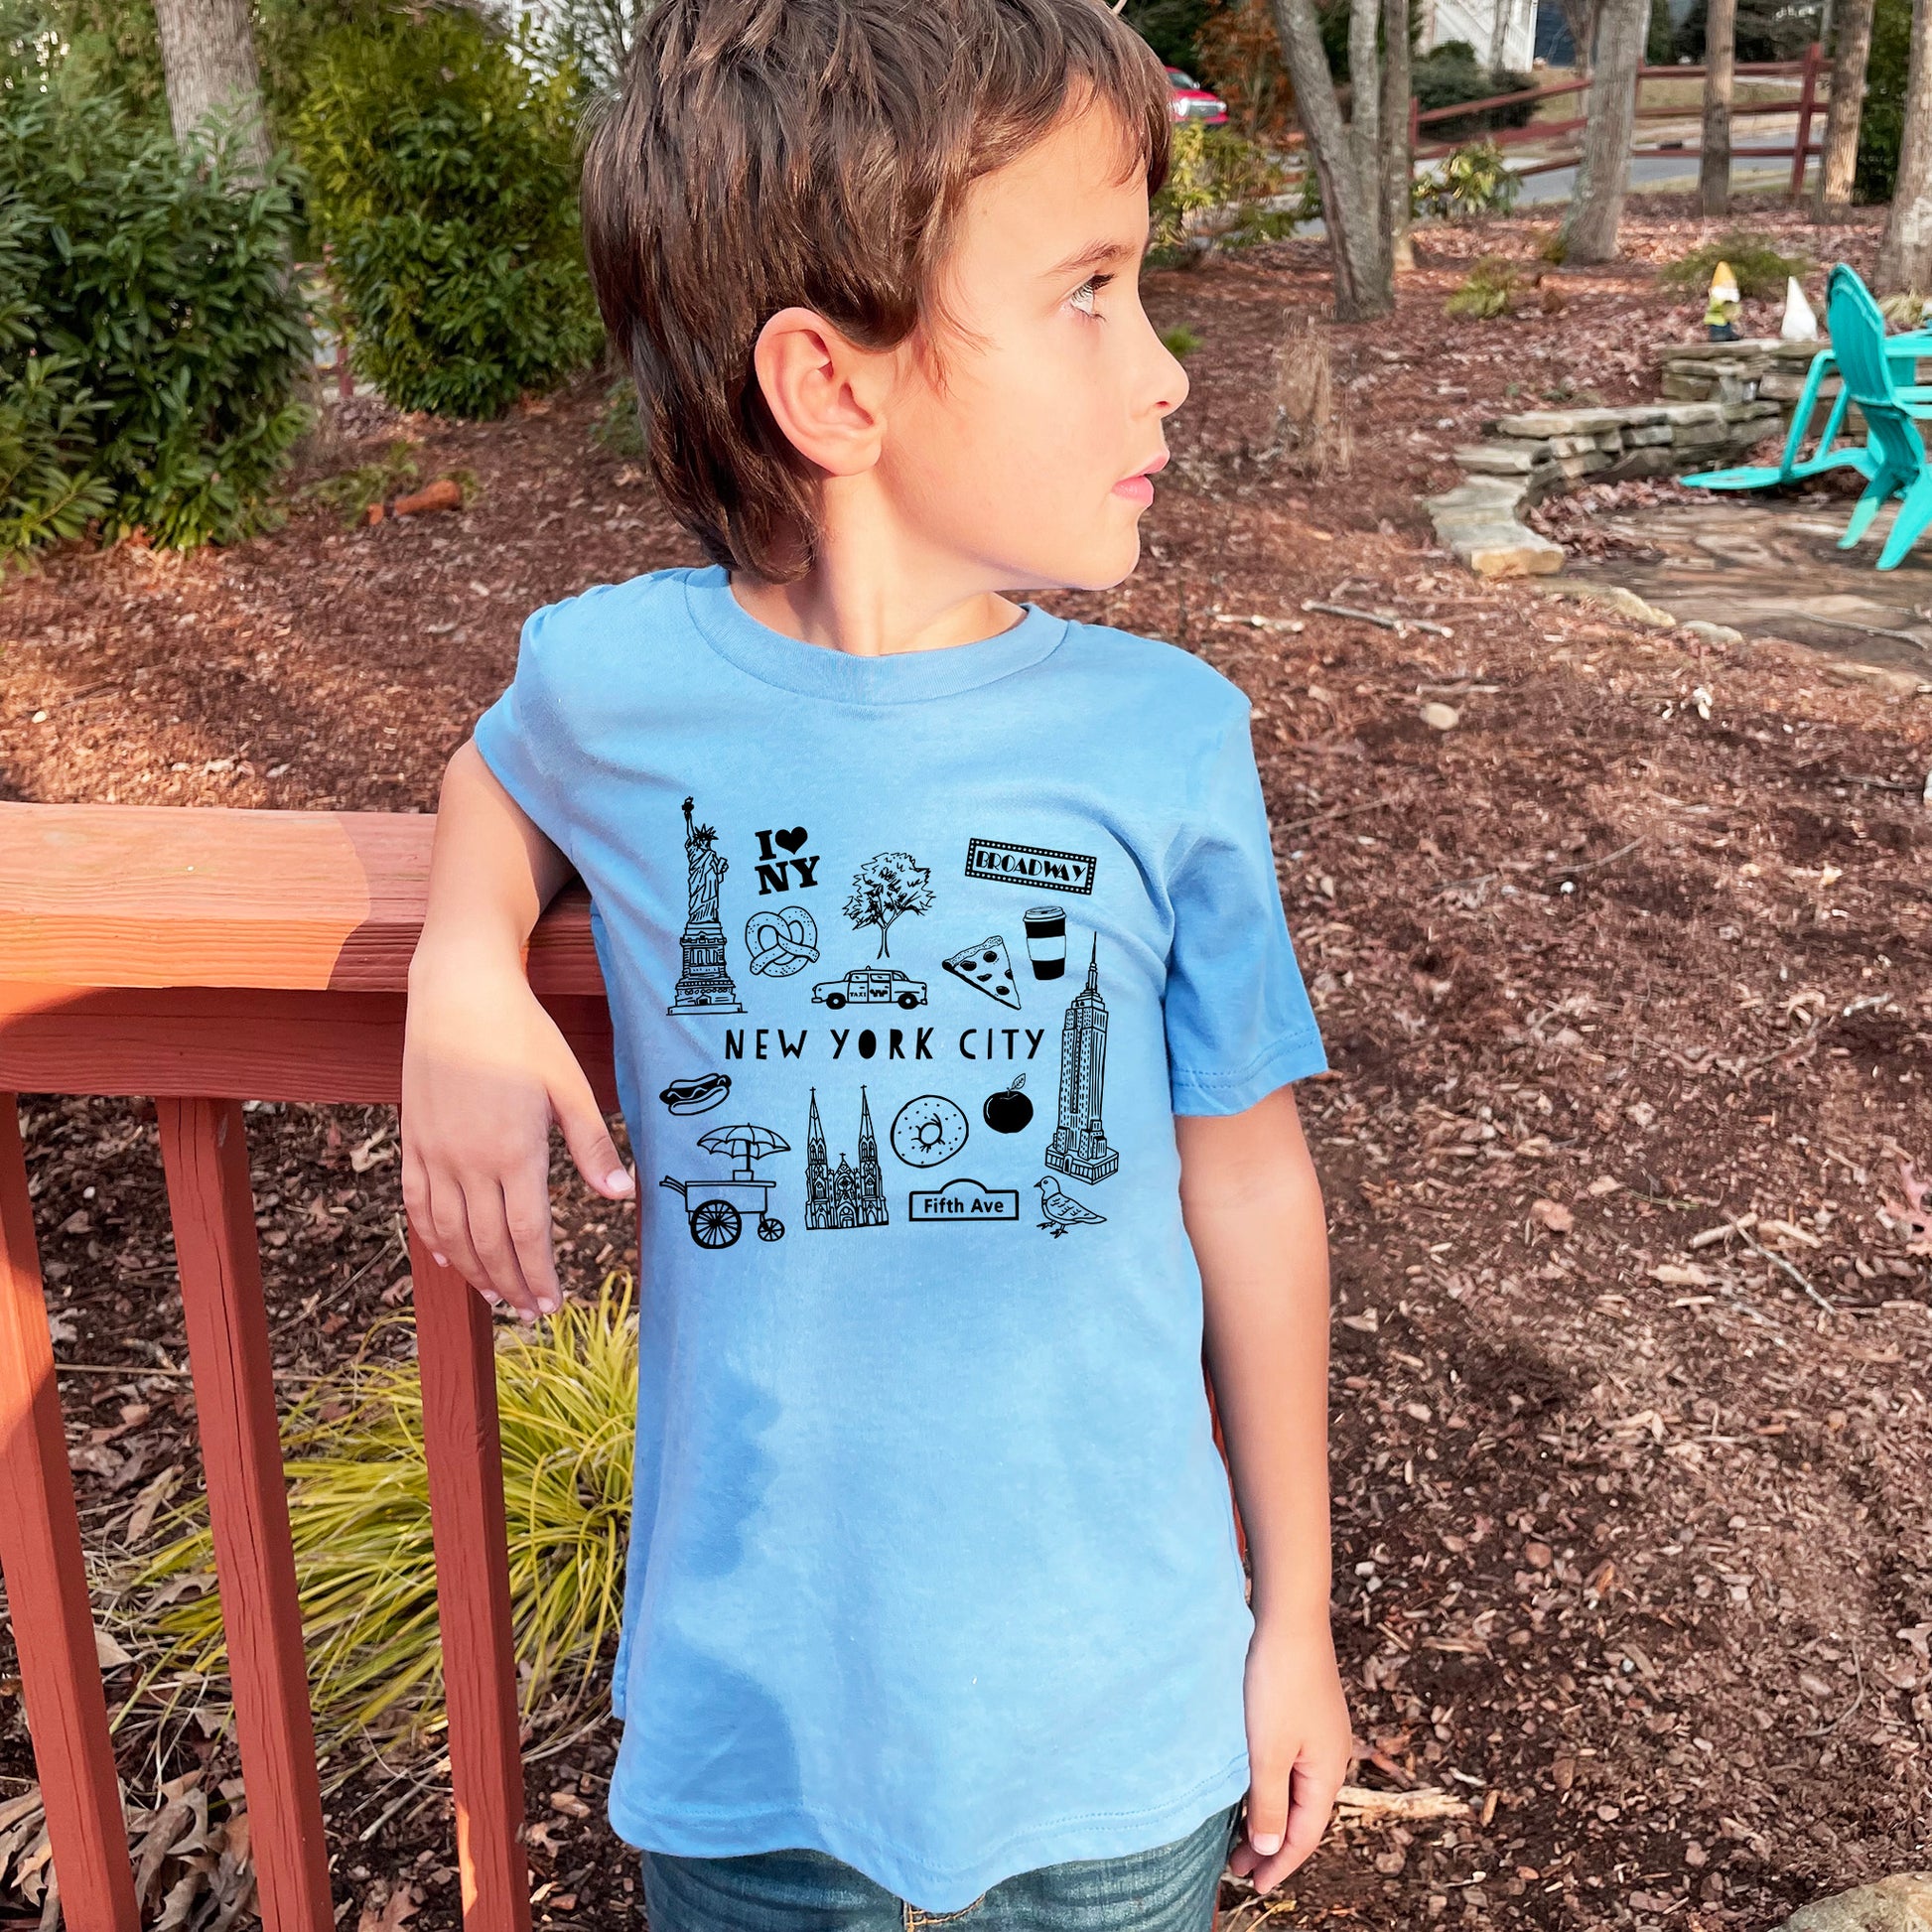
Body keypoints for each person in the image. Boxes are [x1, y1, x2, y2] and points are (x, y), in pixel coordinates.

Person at [399, 0, 1351, 1926]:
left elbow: (1248, 1182)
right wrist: (462, 976)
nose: (1167, 371)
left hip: (1114, 1741)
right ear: (833, 387)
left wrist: (1297, 1617)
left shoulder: (1171, 740)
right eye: (1090, 293)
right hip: (756, 1749)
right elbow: (495, 774)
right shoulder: (624, 680)